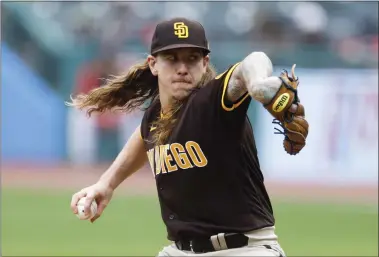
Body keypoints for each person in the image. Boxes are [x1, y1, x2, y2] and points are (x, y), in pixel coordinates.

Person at [67, 17, 309, 257]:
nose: (182, 68)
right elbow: (144, 137)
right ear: (153, 64)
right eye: (171, 59)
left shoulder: (212, 100)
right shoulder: (155, 116)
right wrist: (106, 184)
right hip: (180, 251)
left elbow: (254, 60)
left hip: (244, 249)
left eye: (192, 59)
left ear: (205, 63)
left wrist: (257, 83)